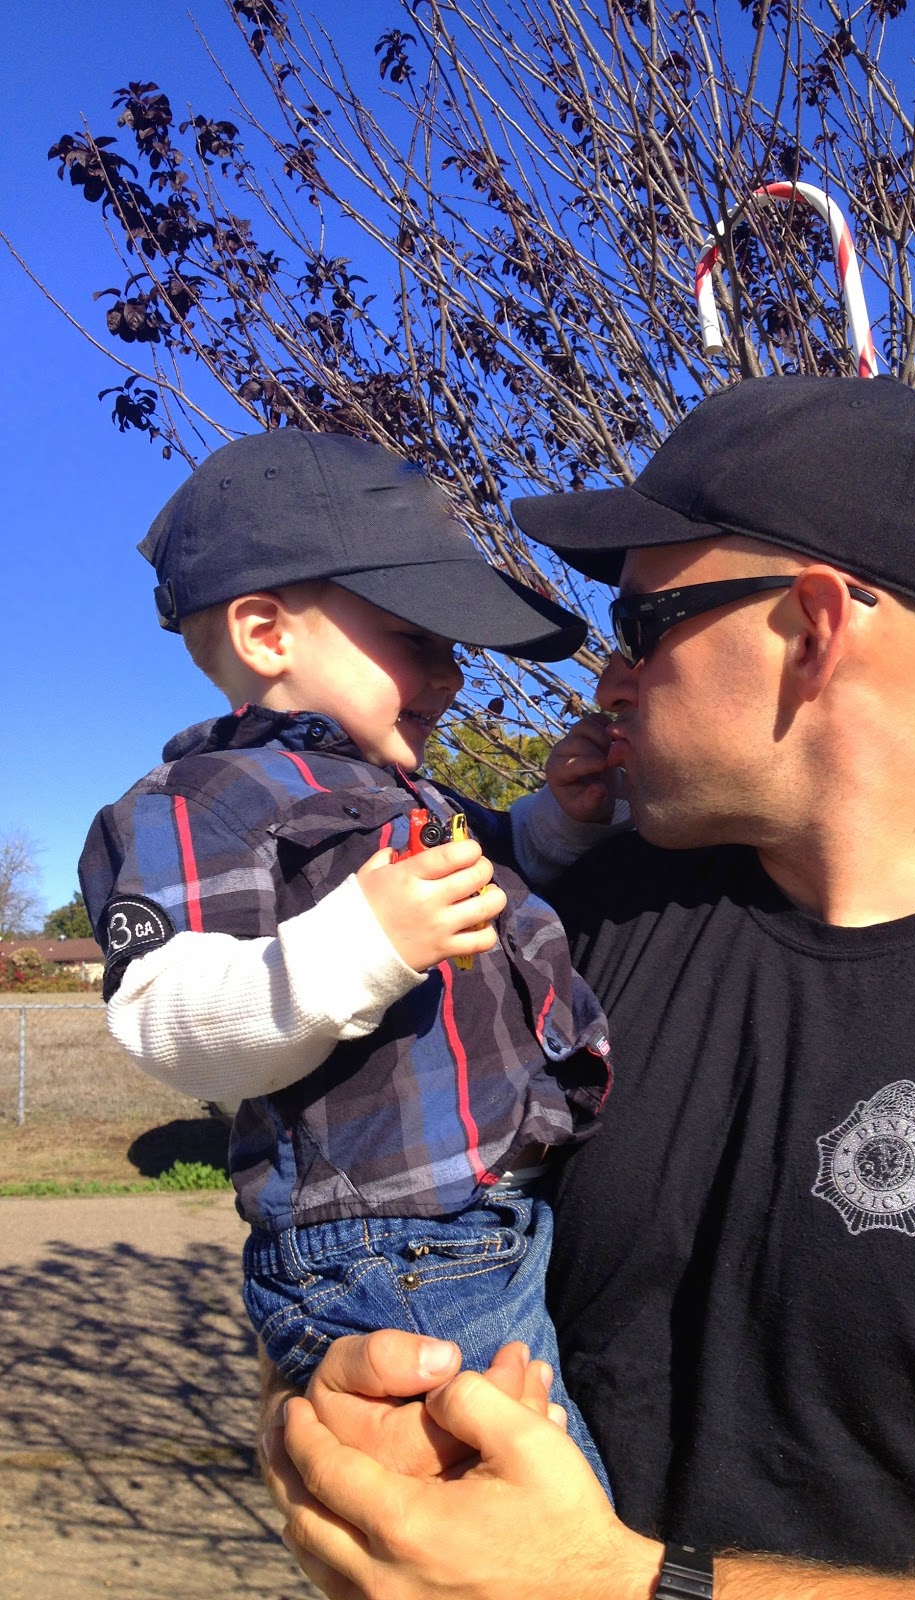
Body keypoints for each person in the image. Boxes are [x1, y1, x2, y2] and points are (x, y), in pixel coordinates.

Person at [262, 378, 915, 1600]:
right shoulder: (558, 935)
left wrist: (621, 1586)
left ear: (812, 626)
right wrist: (331, 1427)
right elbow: (363, 1244)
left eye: (644, 623)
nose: (610, 680)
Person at [78, 429, 628, 1487]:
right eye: (415, 638)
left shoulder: (402, 794)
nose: (451, 675)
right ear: (265, 632)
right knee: (536, 1509)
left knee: (549, 1481)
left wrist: (561, 818)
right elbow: (163, 1014)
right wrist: (363, 945)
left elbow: (501, 869)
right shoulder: (200, 804)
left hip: (485, 1225)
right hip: (390, 1249)